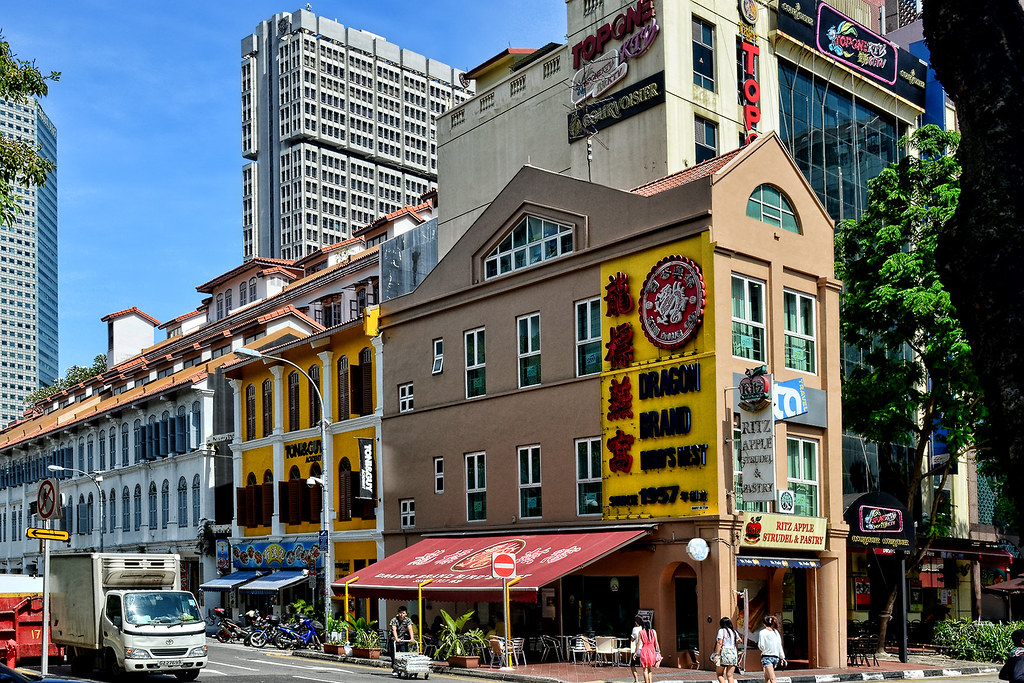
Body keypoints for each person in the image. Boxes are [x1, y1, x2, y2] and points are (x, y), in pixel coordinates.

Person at [757, 615, 786, 683]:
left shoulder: (762, 632)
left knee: (772, 679)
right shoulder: (776, 632)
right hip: (775, 657)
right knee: (767, 678)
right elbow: (779, 645)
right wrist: (782, 657)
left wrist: (764, 649)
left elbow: (761, 646)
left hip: (767, 657)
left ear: (764, 623)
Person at [389, 605, 416, 677]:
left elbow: (410, 629)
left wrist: (412, 638)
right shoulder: (394, 620)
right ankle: (395, 669)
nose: (401, 615)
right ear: (398, 613)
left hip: (403, 639)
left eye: (403, 613)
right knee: (394, 656)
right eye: (400, 613)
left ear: (406, 614)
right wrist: (396, 638)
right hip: (394, 640)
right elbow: (394, 630)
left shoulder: (408, 620)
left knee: (404, 655)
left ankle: (405, 668)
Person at [713, 616, 741, 683]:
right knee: (730, 676)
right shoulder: (734, 632)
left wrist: (716, 655)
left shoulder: (721, 631)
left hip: (724, 653)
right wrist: (733, 642)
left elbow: (719, 643)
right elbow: (740, 640)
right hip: (733, 653)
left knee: (720, 674)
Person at [636, 617, 661, 683]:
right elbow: (656, 642)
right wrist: (659, 651)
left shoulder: (641, 632)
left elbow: (638, 643)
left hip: (644, 651)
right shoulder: (653, 632)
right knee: (650, 669)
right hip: (652, 651)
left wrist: (635, 652)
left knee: (645, 670)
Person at [629, 615, 644, 683]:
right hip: (645, 649)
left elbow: (632, 639)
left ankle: (636, 680)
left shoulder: (635, 629)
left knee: (632, 665)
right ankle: (647, 679)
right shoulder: (644, 629)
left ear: (636, 622)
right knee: (645, 666)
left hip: (638, 649)